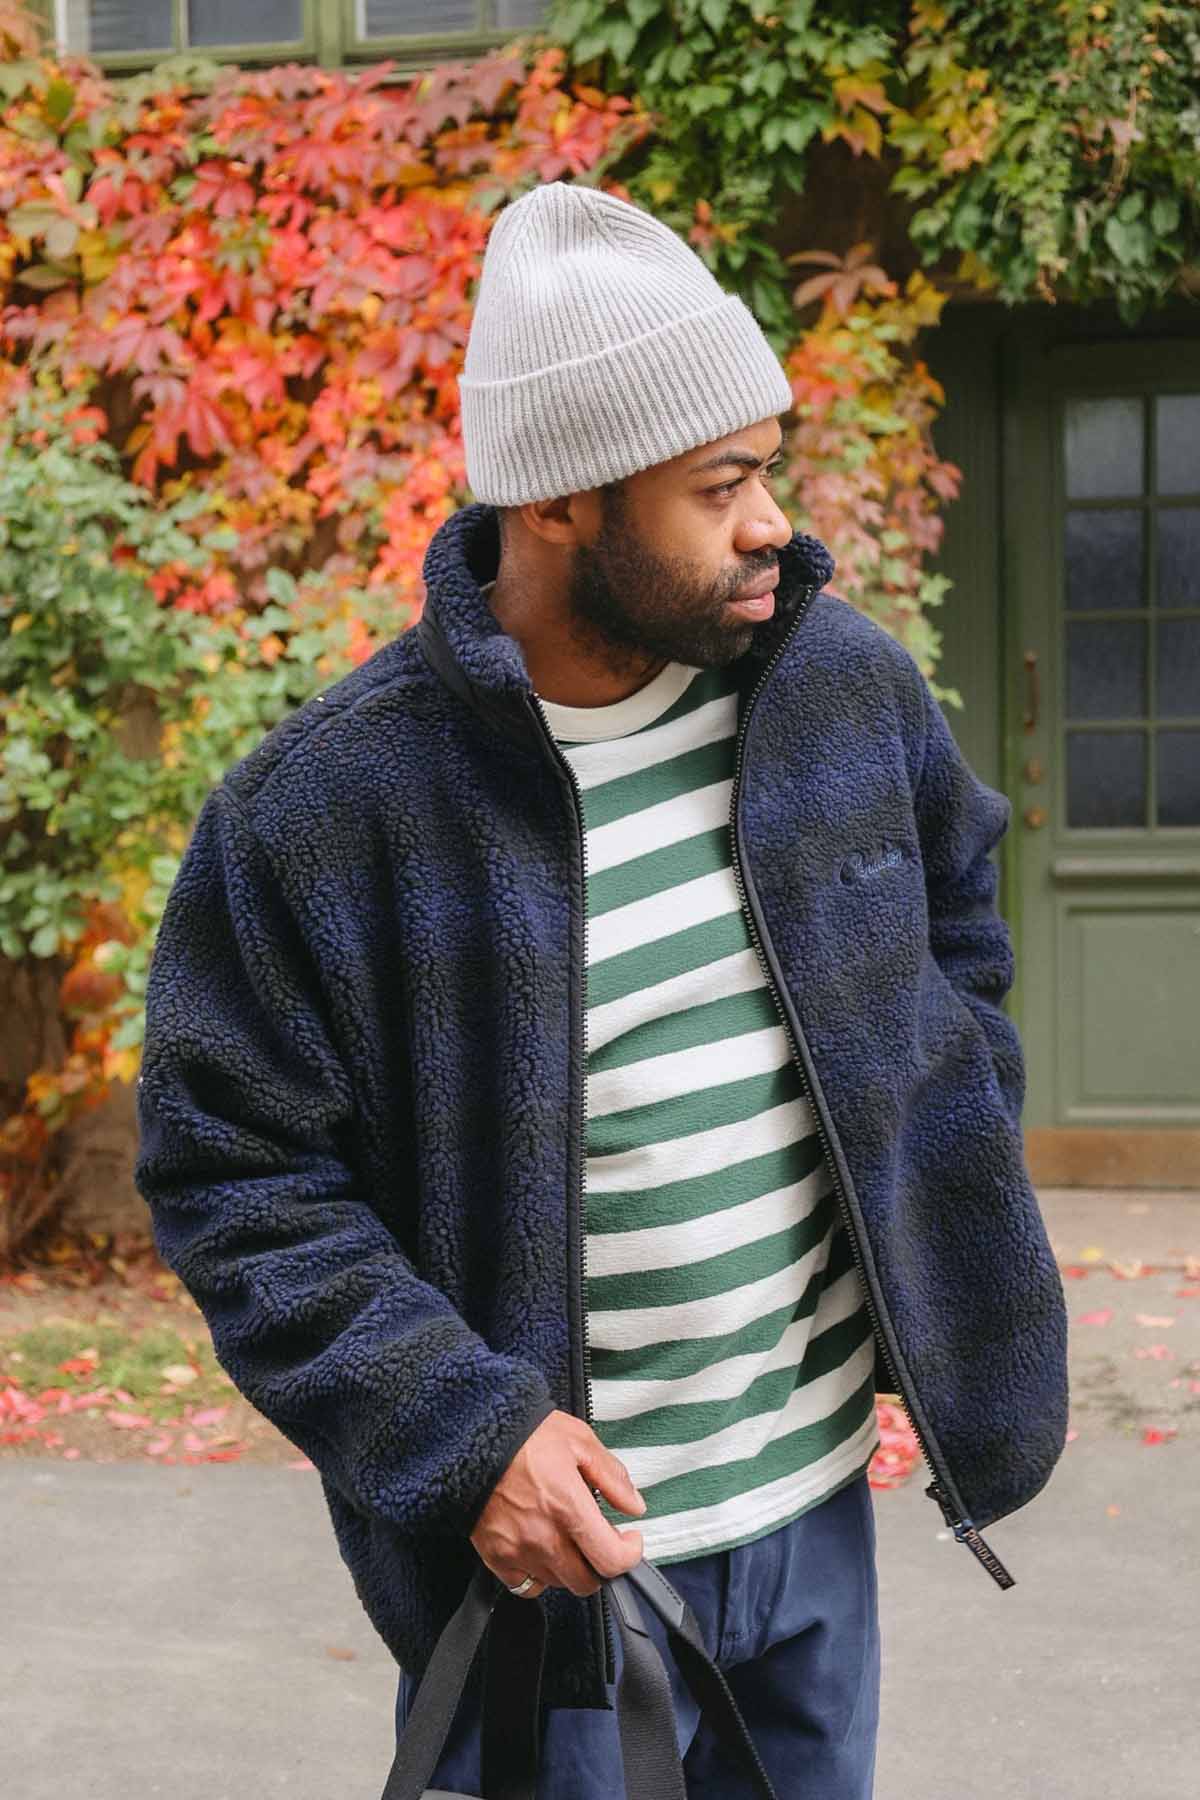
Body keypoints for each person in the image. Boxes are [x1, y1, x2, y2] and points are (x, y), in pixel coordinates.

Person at [135, 181, 1069, 1799]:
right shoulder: (327, 812)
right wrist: (465, 1434)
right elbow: (233, 1177)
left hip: (814, 1516)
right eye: (720, 485)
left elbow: (955, 941)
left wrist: (939, 1181)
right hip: (558, 1587)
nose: (771, 522)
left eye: (766, 470)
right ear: (564, 500)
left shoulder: (841, 694)